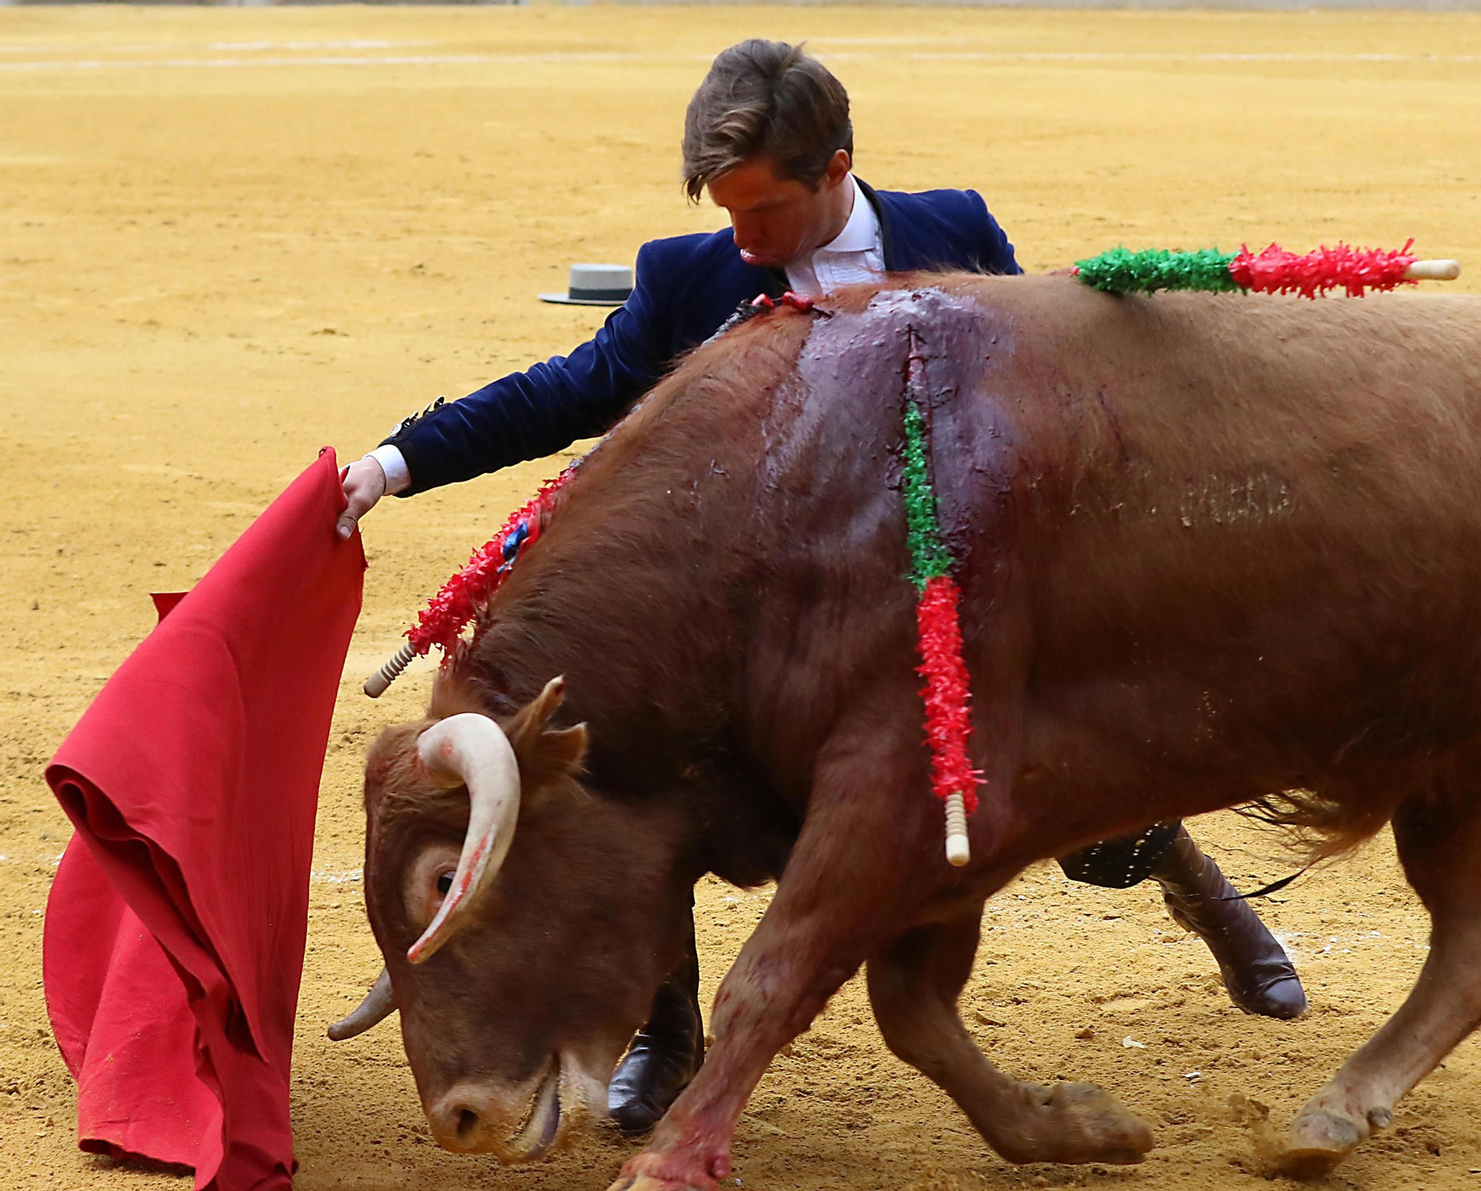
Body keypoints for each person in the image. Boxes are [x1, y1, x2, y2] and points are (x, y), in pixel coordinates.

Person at [339, 38, 1305, 1136]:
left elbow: (1043, 395)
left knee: (1058, 767)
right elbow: (569, 389)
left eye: (762, 213)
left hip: (943, 586)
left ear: (835, 169)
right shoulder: (688, 276)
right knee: (635, 764)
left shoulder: (953, 232)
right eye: (726, 213)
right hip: (763, 629)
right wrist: (393, 463)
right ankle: (666, 1026)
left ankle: (1194, 883)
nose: (741, 241)